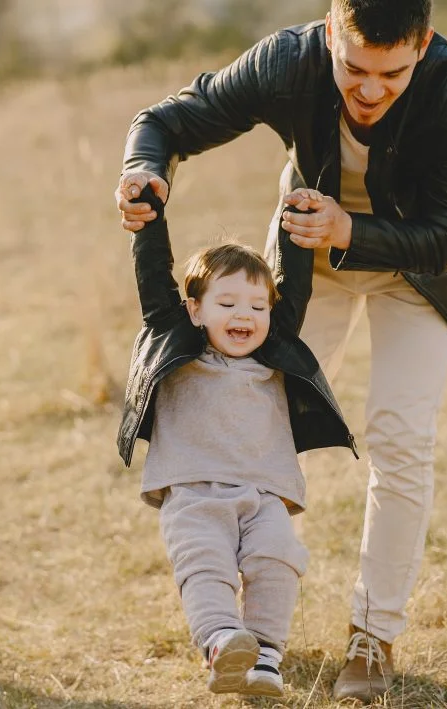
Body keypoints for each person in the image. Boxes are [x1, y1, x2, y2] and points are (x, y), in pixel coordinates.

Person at [115, 0, 447, 701]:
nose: (371, 90)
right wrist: (145, 170)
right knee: (256, 419)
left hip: (418, 273)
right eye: (354, 68)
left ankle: (372, 636)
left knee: (400, 436)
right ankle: (235, 626)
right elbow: (166, 120)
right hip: (302, 266)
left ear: (425, 45)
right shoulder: (286, 62)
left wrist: (351, 226)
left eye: (393, 72)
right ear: (328, 33)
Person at [117, 185, 355, 697]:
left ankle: (265, 656)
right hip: (193, 491)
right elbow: (154, 279)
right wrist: (148, 217)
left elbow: (295, 285)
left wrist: (298, 213)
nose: (243, 315)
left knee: (276, 561)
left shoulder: (275, 352)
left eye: (255, 305)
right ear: (195, 310)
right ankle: (223, 642)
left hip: (265, 491)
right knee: (206, 564)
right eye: (226, 303)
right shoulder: (176, 340)